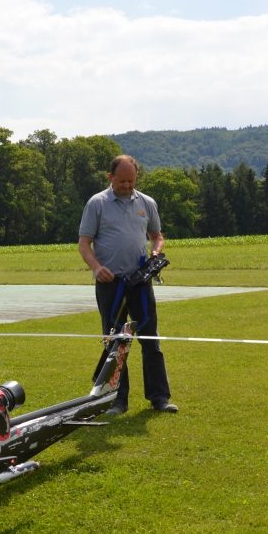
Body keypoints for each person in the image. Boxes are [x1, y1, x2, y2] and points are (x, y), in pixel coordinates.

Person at [78, 154, 177, 414]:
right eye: (122, 181)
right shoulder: (97, 203)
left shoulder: (147, 202)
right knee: (115, 343)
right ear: (110, 177)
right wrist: (97, 267)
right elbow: (84, 244)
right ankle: (117, 401)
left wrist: (156, 252)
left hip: (140, 282)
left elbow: (157, 236)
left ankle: (159, 398)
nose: (127, 186)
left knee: (150, 339)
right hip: (110, 284)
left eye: (131, 181)